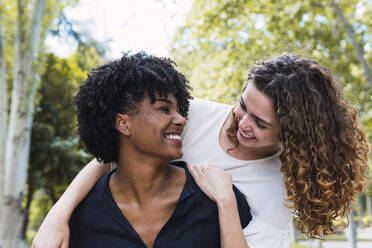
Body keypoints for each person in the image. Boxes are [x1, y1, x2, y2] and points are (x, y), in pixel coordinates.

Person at [32, 54, 369, 248]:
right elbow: (111, 157)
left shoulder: (272, 193)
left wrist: (225, 201)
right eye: (242, 106)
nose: (243, 124)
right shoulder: (193, 116)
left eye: (261, 124)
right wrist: (57, 217)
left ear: (293, 136)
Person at [61, 52, 252, 248]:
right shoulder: (83, 216)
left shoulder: (213, 196)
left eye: (179, 110)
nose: (181, 120)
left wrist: (225, 201)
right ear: (123, 123)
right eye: (164, 109)